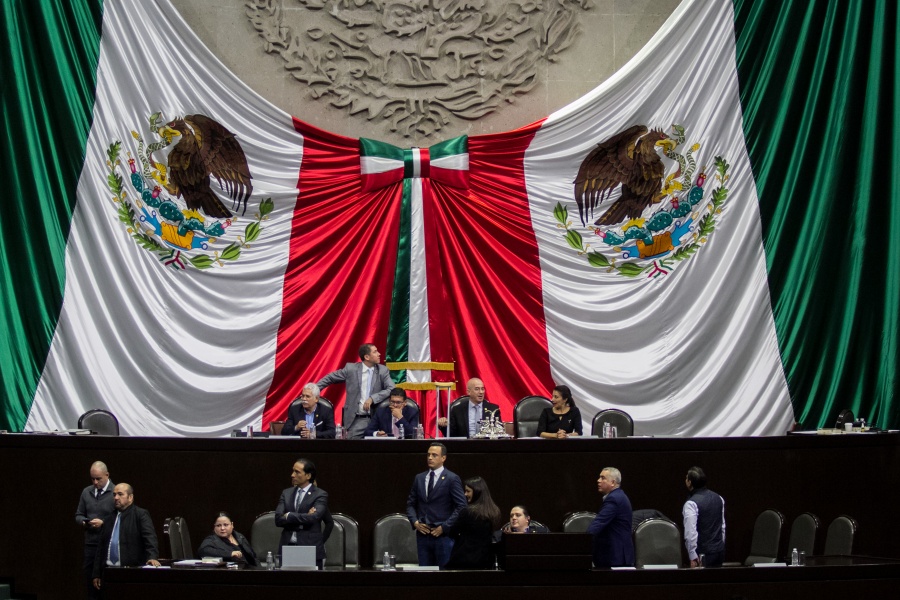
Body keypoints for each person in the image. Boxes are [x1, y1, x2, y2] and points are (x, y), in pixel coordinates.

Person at [405, 443, 467, 566]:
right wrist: (415, 522)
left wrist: (445, 527)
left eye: (434, 455)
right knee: (425, 574)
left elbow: (462, 506)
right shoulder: (419, 478)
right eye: (428, 455)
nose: (430, 458)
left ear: (443, 458)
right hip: (423, 534)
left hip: (442, 536)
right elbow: (410, 504)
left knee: (443, 576)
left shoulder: (451, 478)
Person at [317, 343, 394, 439]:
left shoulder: (383, 370)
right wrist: (315, 389)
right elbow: (330, 378)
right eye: (375, 352)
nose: (379, 354)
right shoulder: (351, 369)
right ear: (367, 357)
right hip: (357, 418)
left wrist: (372, 398)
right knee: (352, 445)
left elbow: (391, 389)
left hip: (377, 418)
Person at [92, 484, 160, 592]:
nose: (116, 498)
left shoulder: (140, 515)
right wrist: (96, 573)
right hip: (109, 574)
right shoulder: (109, 518)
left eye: (120, 494)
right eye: (114, 495)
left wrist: (152, 557)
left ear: (130, 497)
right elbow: (101, 547)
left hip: (131, 574)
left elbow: (150, 538)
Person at [275, 458, 329, 569]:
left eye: (297, 472)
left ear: (308, 476)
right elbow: (278, 519)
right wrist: (305, 516)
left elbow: (313, 518)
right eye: (293, 471)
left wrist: (289, 515)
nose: (292, 475)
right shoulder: (286, 493)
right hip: (288, 546)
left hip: (309, 546)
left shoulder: (320, 494)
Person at [75, 461, 115, 600]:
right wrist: (85, 522)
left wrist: (103, 523)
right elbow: (78, 515)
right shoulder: (87, 492)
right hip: (91, 544)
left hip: (107, 545)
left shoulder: (115, 492)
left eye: (99, 479)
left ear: (107, 475)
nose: (95, 482)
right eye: (93, 479)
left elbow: (118, 518)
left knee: (105, 583)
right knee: (90, 583)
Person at [443, 476, 502, 569]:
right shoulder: (495, 511)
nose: (465, 494)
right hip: (485, 562)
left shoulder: (467, 512)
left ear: (477, 491)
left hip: (464, 561)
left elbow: (452, 532)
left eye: (468, 491)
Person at [587, 467, 634, 568]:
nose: (598, 480)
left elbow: (598, 524)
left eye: (603, 478)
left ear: (612, 482)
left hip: (615, 557)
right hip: (619, 555)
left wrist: (581, 541)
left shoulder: (614, 499)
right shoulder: (620, 496)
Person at [683, 466, 726, 568]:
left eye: (686, 478)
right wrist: (720, 546)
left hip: (702, 555)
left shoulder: (691, 503)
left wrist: (692, 555)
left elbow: (690, 532)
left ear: (689, 482)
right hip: (719, 551)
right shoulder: (719, 498)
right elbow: (722, 526)